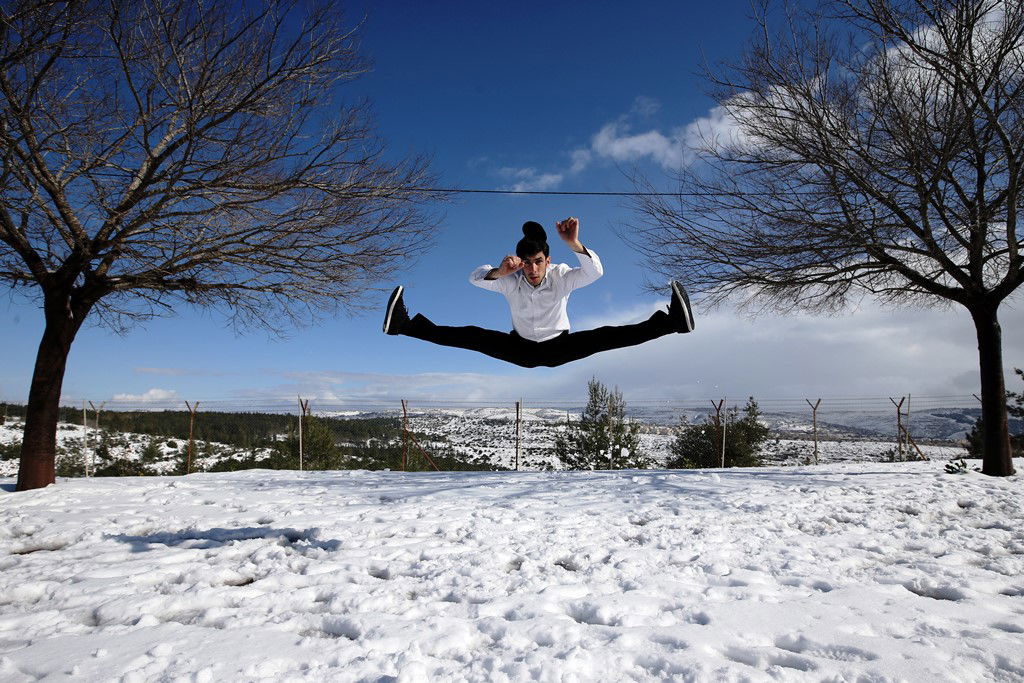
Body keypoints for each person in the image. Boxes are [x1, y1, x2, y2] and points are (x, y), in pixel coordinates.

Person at [382, 217, 694, 368]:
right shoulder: (511, 279)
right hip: (520, 348)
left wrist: (574, 245)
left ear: (548, 261)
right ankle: (402, 326)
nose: (533, 269)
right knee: (471, 335)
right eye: (528, 263)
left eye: (538, 262)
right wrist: (498, 272)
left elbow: (595, 272)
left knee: (607, 336)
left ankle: (673, 322)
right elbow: (474, 279)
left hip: (558, 346)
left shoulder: (560, 276)